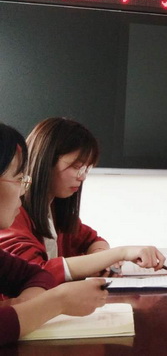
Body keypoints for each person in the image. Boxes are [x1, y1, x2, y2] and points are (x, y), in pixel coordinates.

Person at [0, 118, 165, 283]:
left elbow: (92, 240)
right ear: (46, 161)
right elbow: (33, 274)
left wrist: (101, 258)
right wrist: (119, 254)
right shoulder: (11, 213)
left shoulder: (55, 209)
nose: (83, 177)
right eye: (76, 167)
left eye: (87, 168)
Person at [0, 123, 108, 345]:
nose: (23, 189)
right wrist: (57, 301)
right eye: (19, 178)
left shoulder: (56, 212)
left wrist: (24, 307)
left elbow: (37, 275)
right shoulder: (16, 219)